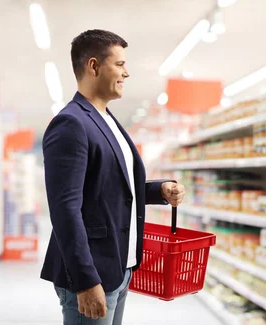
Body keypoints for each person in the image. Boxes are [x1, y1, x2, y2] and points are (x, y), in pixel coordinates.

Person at [40, 29, 186, 325]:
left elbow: (110, 187)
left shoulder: (107, 119)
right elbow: (65, 209)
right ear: (93, 66)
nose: (126, 72)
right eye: (119, 64)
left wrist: (160, 191)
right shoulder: (71, 123)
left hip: (118, 267)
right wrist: (84, 280)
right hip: (92, 272)